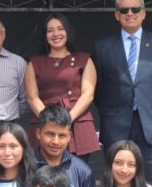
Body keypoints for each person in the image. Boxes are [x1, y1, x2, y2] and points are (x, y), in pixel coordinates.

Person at [91, 0, 152, 185]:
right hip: (116, 125)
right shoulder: (102, 47)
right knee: (116, 183)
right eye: (124, 10)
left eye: (135, 9)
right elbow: (97, 91)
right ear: (117, 15)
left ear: (143, 13)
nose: (130, 13)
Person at [24, 14, 98, 159]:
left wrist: (67, 119)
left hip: (77, 123)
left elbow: (88, 94)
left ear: (68, 32)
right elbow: (32, 97)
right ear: (45, 35)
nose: (56, 34)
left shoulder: (84, 59)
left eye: (60, 29)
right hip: (44, 123)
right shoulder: (34, 63)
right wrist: (49, 121)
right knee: (43, 171)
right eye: (50, 30)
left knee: (76, 170)